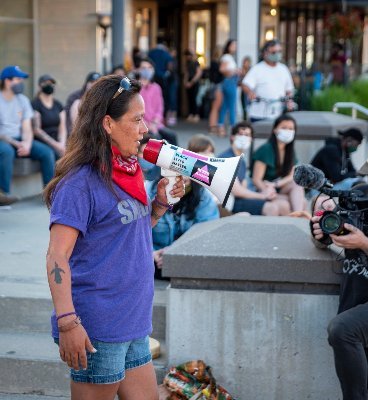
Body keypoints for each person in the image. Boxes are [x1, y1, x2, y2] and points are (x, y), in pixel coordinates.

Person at [43, 75, 185, 399]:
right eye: (136, 119)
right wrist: (67, 323)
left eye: (144, 119)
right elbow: (56, 256)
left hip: (133, 319)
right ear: (108, 124)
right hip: (99, 324)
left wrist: (159, 206)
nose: (144, 129)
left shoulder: (130, 171)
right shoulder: (80, 184)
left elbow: (125, 236)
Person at [310, 138, 368, 400]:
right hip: (359, 301)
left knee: (344, 330)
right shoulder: (357, 193)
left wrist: (365, 243)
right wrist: (320, 229)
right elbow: (323, 237)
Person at [147, 134, 219, 280]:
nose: (182, 179)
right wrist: (151, 254)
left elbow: (205, 234)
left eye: (186, 174)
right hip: (151, 260)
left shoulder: (203, 198)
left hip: (187, 260)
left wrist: (174, 251)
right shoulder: (148, 192)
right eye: (176, 173)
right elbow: (135, 234)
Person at [0, 65, 55, 205]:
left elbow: (27, 127)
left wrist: (27, 143)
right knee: (6, 152)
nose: (21, 83)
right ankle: (3, 195)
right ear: (7, 81)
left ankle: (50, 195)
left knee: (46, 152)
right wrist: (15, 143)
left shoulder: (22, 100)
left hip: (20, 140)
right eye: (18, 79)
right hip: (4, 140)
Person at [218, 121, 290, 216]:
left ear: (251, 139)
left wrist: (265, 191)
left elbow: (244, 187)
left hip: (239, 199)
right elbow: (237, 191)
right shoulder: (227, 158)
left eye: (247, 135)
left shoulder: (241, 160)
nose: (244, 137)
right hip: (230, 202)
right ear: (232, 137)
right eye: (240, 134)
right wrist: (262, 196)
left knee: (284, 203)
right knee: (271, 208)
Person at [251, 114, 306, 213]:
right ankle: (298, 216)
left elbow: (292, 175)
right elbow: (256, 180)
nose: (287, 131)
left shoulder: (290, 150)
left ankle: (298, 215)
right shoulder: (266, 149)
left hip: (278, 187)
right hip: (263, 189)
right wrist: (269, 190)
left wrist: (276, 184)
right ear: (275, 130)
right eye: (284, 128)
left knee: (297, 185)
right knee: (295, 203)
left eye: (291, 129)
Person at [242, 39, 295, 122]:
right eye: (274, 52)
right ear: (265, 53)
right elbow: (245, 85)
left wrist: (289, 101)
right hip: (258, 114)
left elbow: (289, 90)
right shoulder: (257, 69)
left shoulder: (284, 69)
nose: (277, 54)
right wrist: (250, 93)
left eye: (279, 51)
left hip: (278, 114)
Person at [138, 58, 178, 145]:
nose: (147, 70)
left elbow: (159, 108)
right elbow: (134, 111)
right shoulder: (135, 88)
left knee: (172, 136)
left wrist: (155, 122)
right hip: (141, 125)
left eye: (149, 68)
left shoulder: (156, 87)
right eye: (144, 68)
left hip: (156, 124)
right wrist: (147, 124)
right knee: (157, 139)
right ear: (139, 69)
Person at [31, 74, 67, 158]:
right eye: (46, 83)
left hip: (58, 140)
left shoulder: (58, 105)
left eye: (51, 83)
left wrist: (62, 143)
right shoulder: (35, 104)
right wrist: (56, 145)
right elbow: (36, 130)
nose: (49, 85)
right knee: (51, 154)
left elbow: (62, 127)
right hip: (42, 141)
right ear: (40, 86)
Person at [217, 39, 239, 136]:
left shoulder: (229, 57)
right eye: (233, 45)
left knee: (225, 106)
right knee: (231, 106)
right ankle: (233, 128)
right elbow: (222, 69)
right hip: (230, 82)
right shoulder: (227, 57)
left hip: (229, 82)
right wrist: (233, 72)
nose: (235, 47)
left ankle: (221, 127)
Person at [183, 49, 202, 123]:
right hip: (189, 81)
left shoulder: (196, 63)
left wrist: (191, 82)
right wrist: (185, 82)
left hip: (194, 82)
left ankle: (196, 114)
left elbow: (198, 73)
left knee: (194, 98)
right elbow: (186, 73)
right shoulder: (188, 63)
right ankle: (191, 114)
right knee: (190, 98)